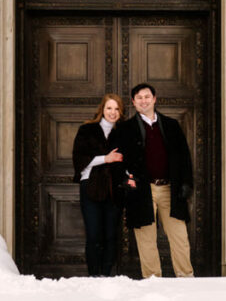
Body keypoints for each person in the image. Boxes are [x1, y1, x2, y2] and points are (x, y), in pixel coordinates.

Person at [114, 83, 194, 278]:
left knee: (179, 237)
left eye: (147, 96)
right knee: (146, 240)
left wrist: (186, 184)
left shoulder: (171, 125)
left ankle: (186, 278)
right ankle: (153, 281)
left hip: (169, 189)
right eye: (139, 97)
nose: (143, 100)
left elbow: (184, 157)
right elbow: (117, 161)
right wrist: (127, 183)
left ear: (154, 98)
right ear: (133, 102)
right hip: (142, 191)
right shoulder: (125, 129)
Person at [72, 93, 125, 276]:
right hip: (91, 188)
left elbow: (129, 161)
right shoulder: (87, 130)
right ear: (102, 109)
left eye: (117, 108)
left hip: (114, 189)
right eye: (109, 108)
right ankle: (94, 275)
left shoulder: (123, 132)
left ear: (121, 111)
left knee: (111, 236)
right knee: (94, 235)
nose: (113, 112)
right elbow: (79, 160)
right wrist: (106, 159)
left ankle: (106, 275)